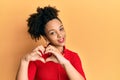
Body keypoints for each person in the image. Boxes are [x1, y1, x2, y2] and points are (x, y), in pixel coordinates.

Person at [16, 6, 86, 80]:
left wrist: (65, 63)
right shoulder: (37, 57)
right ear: (46, 38)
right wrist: (24, 62)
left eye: (61, 29)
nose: (60, 35)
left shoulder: (73, 56)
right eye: (52, 33)